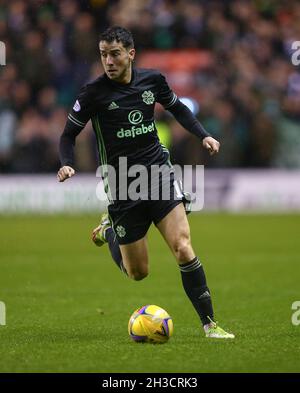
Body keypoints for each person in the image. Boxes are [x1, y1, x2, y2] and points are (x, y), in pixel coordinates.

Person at [57, 26, 234, 339]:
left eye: (114, 54)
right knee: (138, 273)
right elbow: (68, 135)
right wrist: (67, 164)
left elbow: (178, 108)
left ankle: (210, 325)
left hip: (159, 175)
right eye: (103, 55)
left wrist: (203, 134)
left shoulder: (152, 80)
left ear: (130, 54)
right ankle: (110, 229)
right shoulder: (93, 93)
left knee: (182, 247)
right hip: (123, 184)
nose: (108, 61)